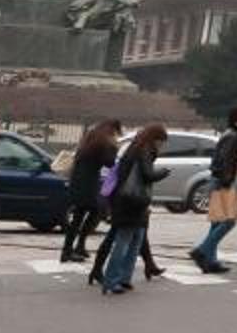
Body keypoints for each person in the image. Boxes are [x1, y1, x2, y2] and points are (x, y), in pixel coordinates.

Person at [97, 125, 167, 295]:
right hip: (131, 201)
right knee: (124, 241)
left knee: (136, 239)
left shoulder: (135, 147)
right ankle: (111, 280)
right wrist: (163, 173)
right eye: (161, 141)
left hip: (128, 200)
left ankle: (124, 278)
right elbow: (148, 174)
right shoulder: (145, 150)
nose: (162, 145)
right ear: (155, 139)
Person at [190, 104, 237, 274]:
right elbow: (225, 160)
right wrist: (227, 181)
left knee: (217, 222)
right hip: (222, 181)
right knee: (230, 220)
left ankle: (210, 262)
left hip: (218, 179)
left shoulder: (232, 133)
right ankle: (201, 251)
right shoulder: (234, 135)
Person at [61, 118, 122, 263]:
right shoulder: (104, 141)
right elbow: (109, 162)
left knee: (80, 215)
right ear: (113, 130)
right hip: (87, 182)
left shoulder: (91, 137)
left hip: (80, 180)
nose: (116, 135)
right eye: (116, 132)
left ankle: (73, 248)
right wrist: (115, 148)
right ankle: (72, 249)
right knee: (96, 211)